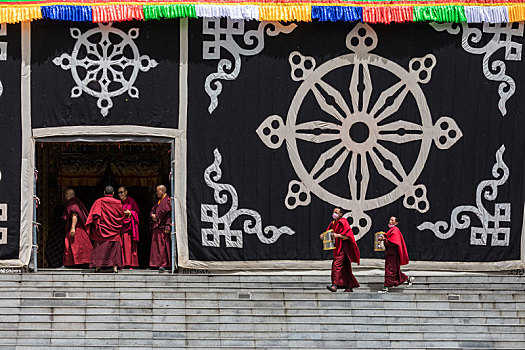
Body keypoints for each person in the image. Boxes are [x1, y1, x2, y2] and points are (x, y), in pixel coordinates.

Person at [86, 186, 125, 273]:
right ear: (113, 193)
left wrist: (95, 226)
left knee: (100, 248)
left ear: (104, 193)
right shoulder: (118, 203)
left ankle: (98, 267)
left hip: (102, 230)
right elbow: (121, 216)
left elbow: (94, 215)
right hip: (114, 230)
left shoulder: (99, 201)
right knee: (114, 248)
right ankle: (115, 268)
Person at [320, 208, 360, 292]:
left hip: (343, 248)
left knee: (336, 265)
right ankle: (349, 286)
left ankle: (334, 285)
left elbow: (348, 236)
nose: (334, 214)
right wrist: (323, 236)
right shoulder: (333, 223)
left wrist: (338, 235)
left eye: (336, 212)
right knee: (345, 267)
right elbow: (328, 233)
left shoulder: (343, 222)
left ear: (341, 214)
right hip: (337, 247)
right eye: (333, 212)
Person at [378, 216, 414, 293]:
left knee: (389, 271)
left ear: (396, 223)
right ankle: (408, 278)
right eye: (390, 220)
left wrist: (384, 239)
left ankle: (386, 288)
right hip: (390, 254)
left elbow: (394, 242)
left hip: (393, 254)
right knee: (394, 271)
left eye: (392, 220)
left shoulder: (395, 230)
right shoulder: (391, 230)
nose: (390, 221)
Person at [62, 189, 92, 267]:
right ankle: (74, 264)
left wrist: (73, 228)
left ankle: (79, 264)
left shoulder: (73, 204)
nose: (65, 197)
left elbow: (74, 215)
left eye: (66, 195)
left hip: (77, 229)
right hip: (79, 229)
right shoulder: (75, 203)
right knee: (76, 246)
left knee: (75, 246)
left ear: (69, 195)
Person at [149, 185, 172, 271]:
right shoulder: (159, 201)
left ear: (162, 191)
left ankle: (163, 264)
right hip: (157, 227)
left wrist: (168, 226)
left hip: (163, 228)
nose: (156, 193)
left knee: (162, 247)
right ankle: (155, 263)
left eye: (157, 191)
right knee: (156, 247)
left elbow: (169, 215)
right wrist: (152, 215)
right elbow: (153, 210)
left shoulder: (168, 201)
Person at [118, 186, 139, 269]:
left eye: (121, 192)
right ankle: (121, 263)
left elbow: (137, 212)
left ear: (126, 192)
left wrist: (130, 212)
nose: (120, 194)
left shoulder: (131, 202)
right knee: (120, 246)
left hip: (129, 228)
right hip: (120, 227)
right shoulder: (117, 202)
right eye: (119, 193)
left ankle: (130, 264)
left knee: (129, 246)